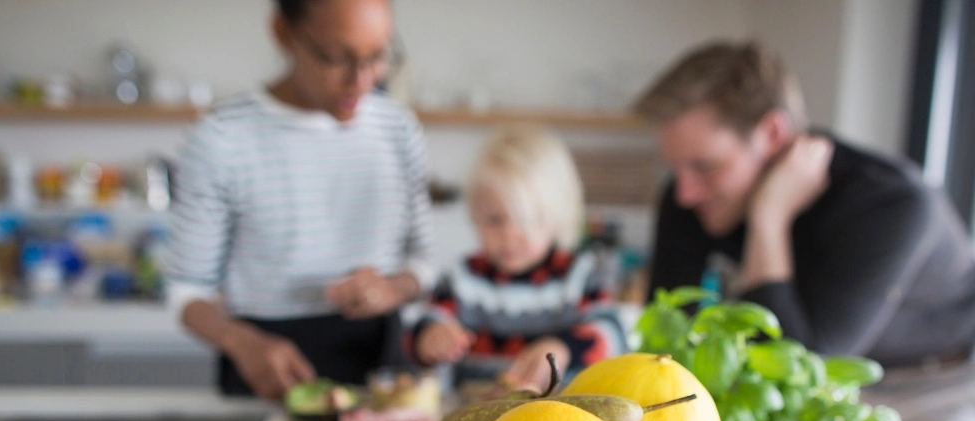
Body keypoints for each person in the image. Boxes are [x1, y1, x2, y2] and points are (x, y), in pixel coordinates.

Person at [636, 41, 975, 368]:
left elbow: (799, 367)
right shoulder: (692, 193)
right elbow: (666, 335)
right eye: (675, 168)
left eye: (705, 166)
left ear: (771, 133)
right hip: (854, 375)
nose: (684, 193)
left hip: (948, 373)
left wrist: (768, 219)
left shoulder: (889, 204)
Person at [165, 0, 437, 398]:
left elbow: (423, 263)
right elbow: (187, 292)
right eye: (335, 57)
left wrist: (393, 288)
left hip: (381, 368)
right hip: (265, 366)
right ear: (283, 34)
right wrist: (240, 342)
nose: (361, 79)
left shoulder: (397, 128)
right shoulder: (222, 137)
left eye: (378, 56)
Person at [410, 127, 626, 392]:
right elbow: (422, 326)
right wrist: (429, 337)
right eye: (494, 220)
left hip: (558, 419)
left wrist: (564, 348)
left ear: (557, 217)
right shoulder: (462, 277)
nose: (509, 235)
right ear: (475, 216)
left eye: (526, 221)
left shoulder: (579, 275)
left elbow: (613, 333)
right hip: (475, 419)